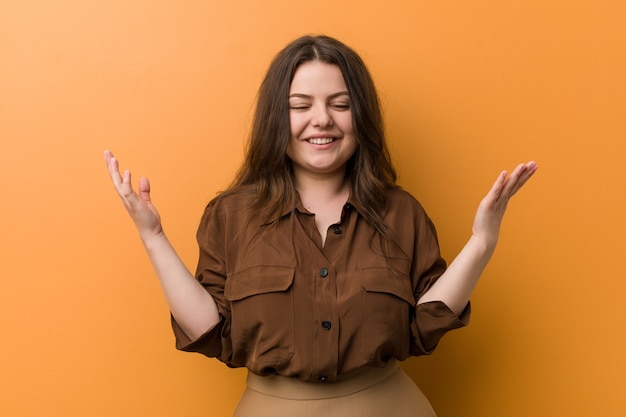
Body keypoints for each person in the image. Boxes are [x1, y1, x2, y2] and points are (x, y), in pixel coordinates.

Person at [104, 35, 537, 417]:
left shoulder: (401, 212)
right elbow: (212, 333)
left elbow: (424, 326)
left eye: (340, 104)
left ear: (360, 116)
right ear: (276, 118)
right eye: (300, 106)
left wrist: (482, 242)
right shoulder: (230, 215)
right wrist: (152, 236)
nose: (322, 120)